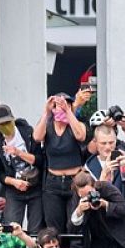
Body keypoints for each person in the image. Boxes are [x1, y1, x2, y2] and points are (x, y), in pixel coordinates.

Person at [33, 93, 88, 237]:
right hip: (53, 182)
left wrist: (69, 112)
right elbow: (37, 137)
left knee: (75, 224)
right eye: (57, 106)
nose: (61, 109)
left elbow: (80, 136)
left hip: (74, 180)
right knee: (54, 226)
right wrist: (46, 112)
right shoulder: (48, 125)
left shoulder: (76, 124)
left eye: (65, 105)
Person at [0, 104, 43, 232]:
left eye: (8, 122)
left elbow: (40, 160)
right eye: (2, 124)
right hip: (14, 189)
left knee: (36, 228)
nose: (6, 126)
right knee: (11, 227)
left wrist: (19, 153)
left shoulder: (27, 132)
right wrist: (14, 182)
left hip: (36, 186)